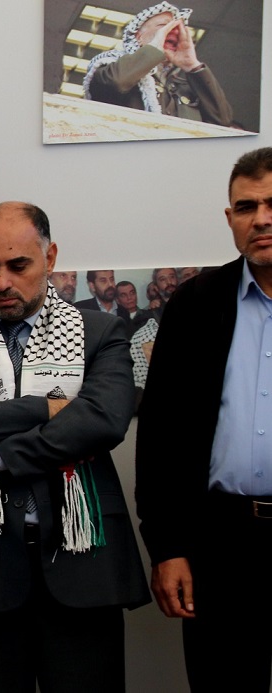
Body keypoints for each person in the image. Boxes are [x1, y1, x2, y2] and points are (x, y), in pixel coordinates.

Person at [0, 201, 149, 693]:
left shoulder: (101, 332)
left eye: (18, 265)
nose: (2, 282)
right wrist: (47, 407)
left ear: (50, 257)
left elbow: (104, 420)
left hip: (84, 567)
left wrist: (1, 456)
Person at [136, 147, 272, 691]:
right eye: (247, 207)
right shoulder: (196, 303)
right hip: (221, 543)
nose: (261, 219)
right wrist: (167, 547)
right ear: (230, 218)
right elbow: (160, 438)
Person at [84, 2, 232, 127]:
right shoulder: (112, 66)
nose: (173, 32)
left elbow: (222, 120)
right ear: (139, 37)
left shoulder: (186, 88)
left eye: (177, 29)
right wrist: (154, 48)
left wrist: (191, 65)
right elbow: (116, 82)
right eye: (163, 26)